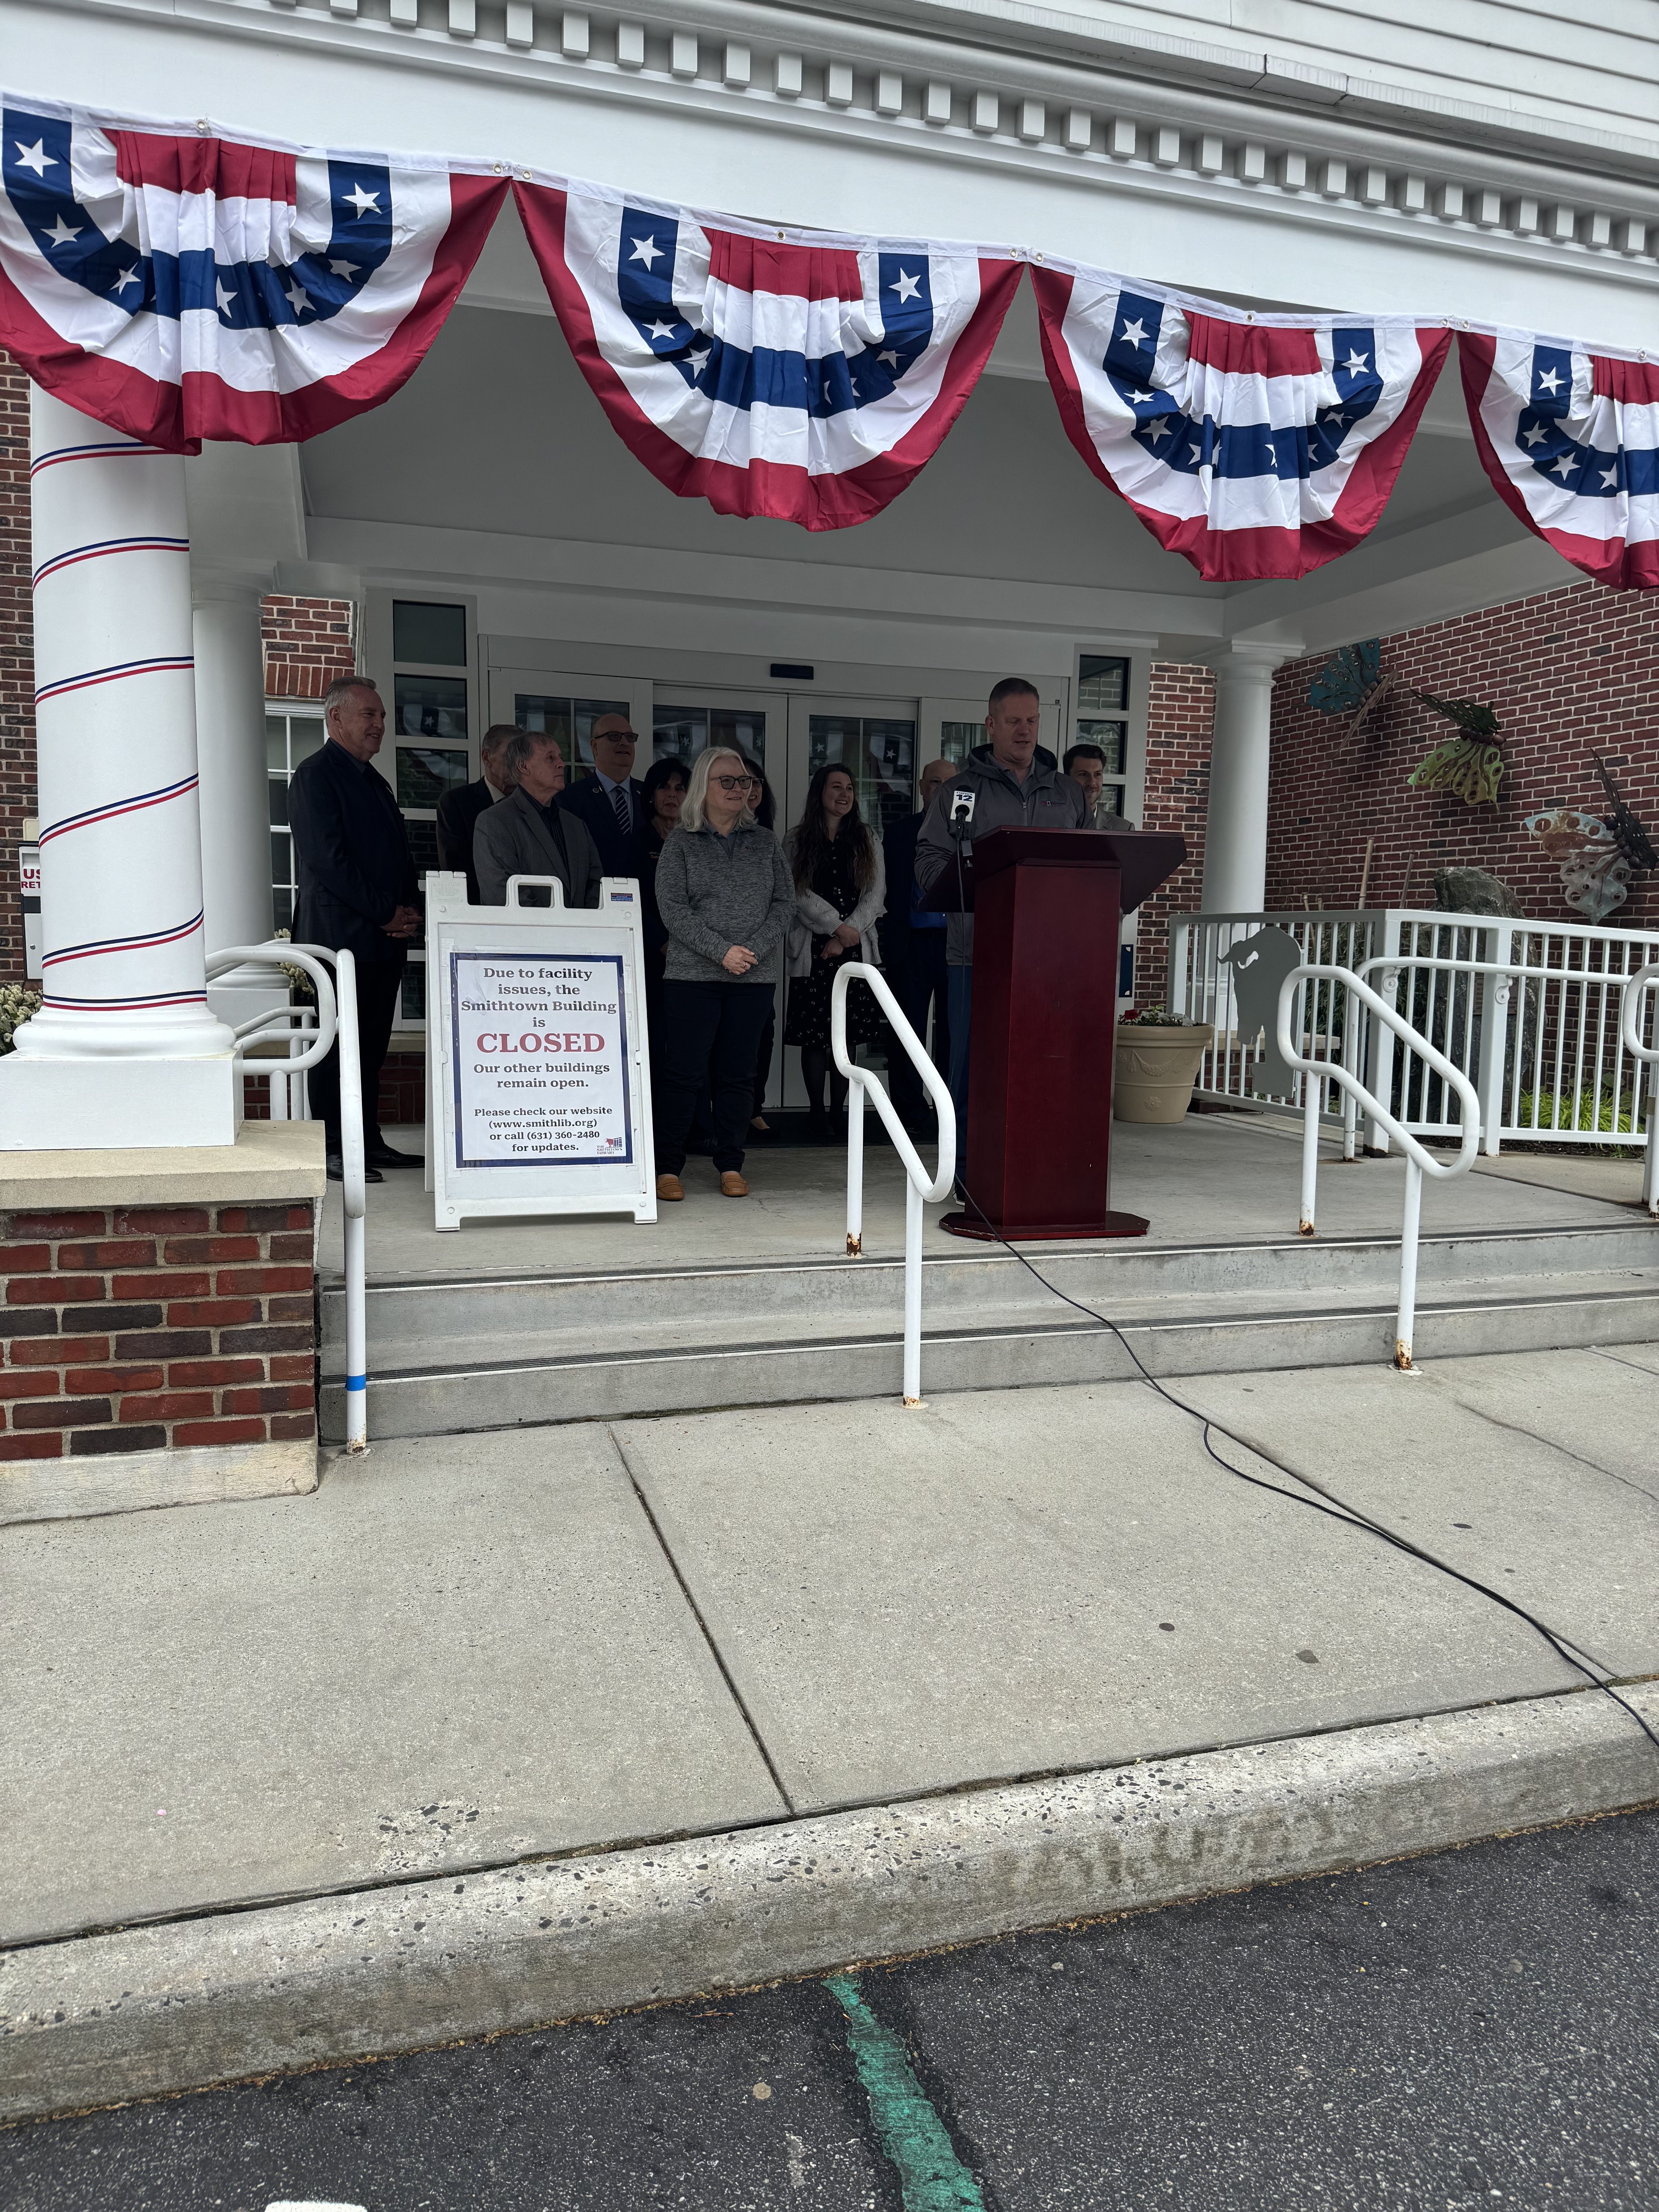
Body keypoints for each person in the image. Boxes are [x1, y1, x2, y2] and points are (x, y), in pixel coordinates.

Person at [915, 679, 1094, 1189]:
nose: (1024, 730)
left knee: (1046, 1067)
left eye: (1032, 720)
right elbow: (927, 861)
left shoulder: (1066, 792)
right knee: (973, 1068)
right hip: (976, 955)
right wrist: (968, 882)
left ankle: (1040, 1169)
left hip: (1051, 961)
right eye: (1013, 721)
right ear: (990, 724)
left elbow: (1091, 864)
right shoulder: (959, 792)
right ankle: (968, 1173)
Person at [287, 675, 422, 1183]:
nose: (380, 725)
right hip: (337, 939)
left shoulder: (375, 780)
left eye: (382, 716)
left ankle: (367, 1141)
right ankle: (331, 1147)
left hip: (383, 942)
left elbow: (397, 856)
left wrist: (408, 911)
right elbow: (329, 861)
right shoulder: (316, 775)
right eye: (369, 715)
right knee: (336, 1050)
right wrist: (384, 911)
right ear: (335, 718)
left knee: (371, 1049)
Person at [652, 747, 795, 1200]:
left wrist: (750, 950)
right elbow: (672, 909)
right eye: (728, 782)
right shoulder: (680, 842)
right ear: (704, 789)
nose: (740, 789)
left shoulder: (766, 843)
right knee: (684, 1074)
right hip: (693, 977)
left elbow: (785, 904)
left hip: (751, 978)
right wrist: (722, 952)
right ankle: (667, 1167)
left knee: (739, 1075)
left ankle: (731, 1164)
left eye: (745, 782)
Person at [783, 763, 887, 1142]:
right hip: (814, 948)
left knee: (847, 1037)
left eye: (850, 788)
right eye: (836, 787)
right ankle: (815, 1113)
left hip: (854, 950)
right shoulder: (796, 840)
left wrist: (847, 935)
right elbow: (796, 893)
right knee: (815, 1035)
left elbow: (876, 895)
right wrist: (835, 928)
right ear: (819, 793)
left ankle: (840, 1112)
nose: (844, 794)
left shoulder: (867, 837)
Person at [880, 755, 956, 1128]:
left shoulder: (974, 833)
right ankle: (908, 1112)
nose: (941, 790)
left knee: (953, 1032)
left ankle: (949, 1110)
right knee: (906, 1031)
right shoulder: (898, 832)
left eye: (949, 783)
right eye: (934, 783)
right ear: (923, 788)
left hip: (958, 945)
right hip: (910, 944)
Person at [473, 731, 603, 909]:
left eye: (560, 757)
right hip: (526, 936)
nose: (561, 764)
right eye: (550, 758)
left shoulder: (576, 825)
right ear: (523, 767)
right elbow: (503, 897)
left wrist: (584, 929)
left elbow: (596, 886)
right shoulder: (494, 822)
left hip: (582, 935)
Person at [556, 711, 646, 879]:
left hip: (646, 901)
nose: (624, 742)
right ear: (594, 747)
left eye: (630, 737)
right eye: (614, 736)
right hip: (596, 901)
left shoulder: (650, 795)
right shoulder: (571, 797)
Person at [436, 723, 518, 903]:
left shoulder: (532, 806)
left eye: (523, 757)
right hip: (479, 913)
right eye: (509, 756)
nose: (518, 764)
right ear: (487, 758)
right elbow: (456, 872)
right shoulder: (456, 803)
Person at [740, 752, 779, 1131]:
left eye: (755, 782)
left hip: (760, 956)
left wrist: (758, 945)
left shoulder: (771, 836)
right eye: (740, 781)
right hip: (718, 955)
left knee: (762, 1033)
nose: (749, 789)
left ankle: (754, 1107)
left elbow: (783, 900)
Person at [1063, 742, 1137, 832]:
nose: (1092, 782)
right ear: (1066, 778)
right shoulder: (1051, 821)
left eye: (1098, 774)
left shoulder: (1124, 829)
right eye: (1083, 774)